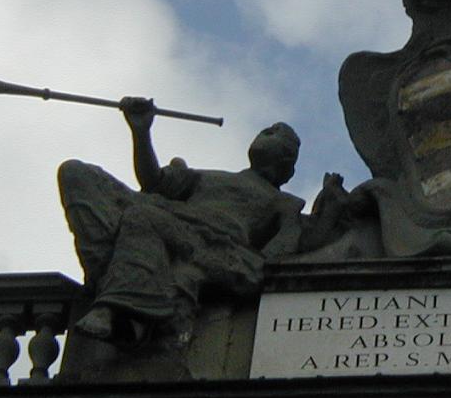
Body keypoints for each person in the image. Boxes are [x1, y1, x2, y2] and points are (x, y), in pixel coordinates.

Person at [58, 98, 306, 346]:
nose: (266, 132)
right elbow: (153, 182)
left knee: (143, 216)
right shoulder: (207, 176)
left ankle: (114, 306)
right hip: (168, 219)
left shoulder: (284, 202)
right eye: (268, 130)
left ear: (287, 158)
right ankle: (105, 273)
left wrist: (256, 269)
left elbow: (280, 251)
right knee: (76, 173)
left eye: (275, 133)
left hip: (213, 244)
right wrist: (141, 131)